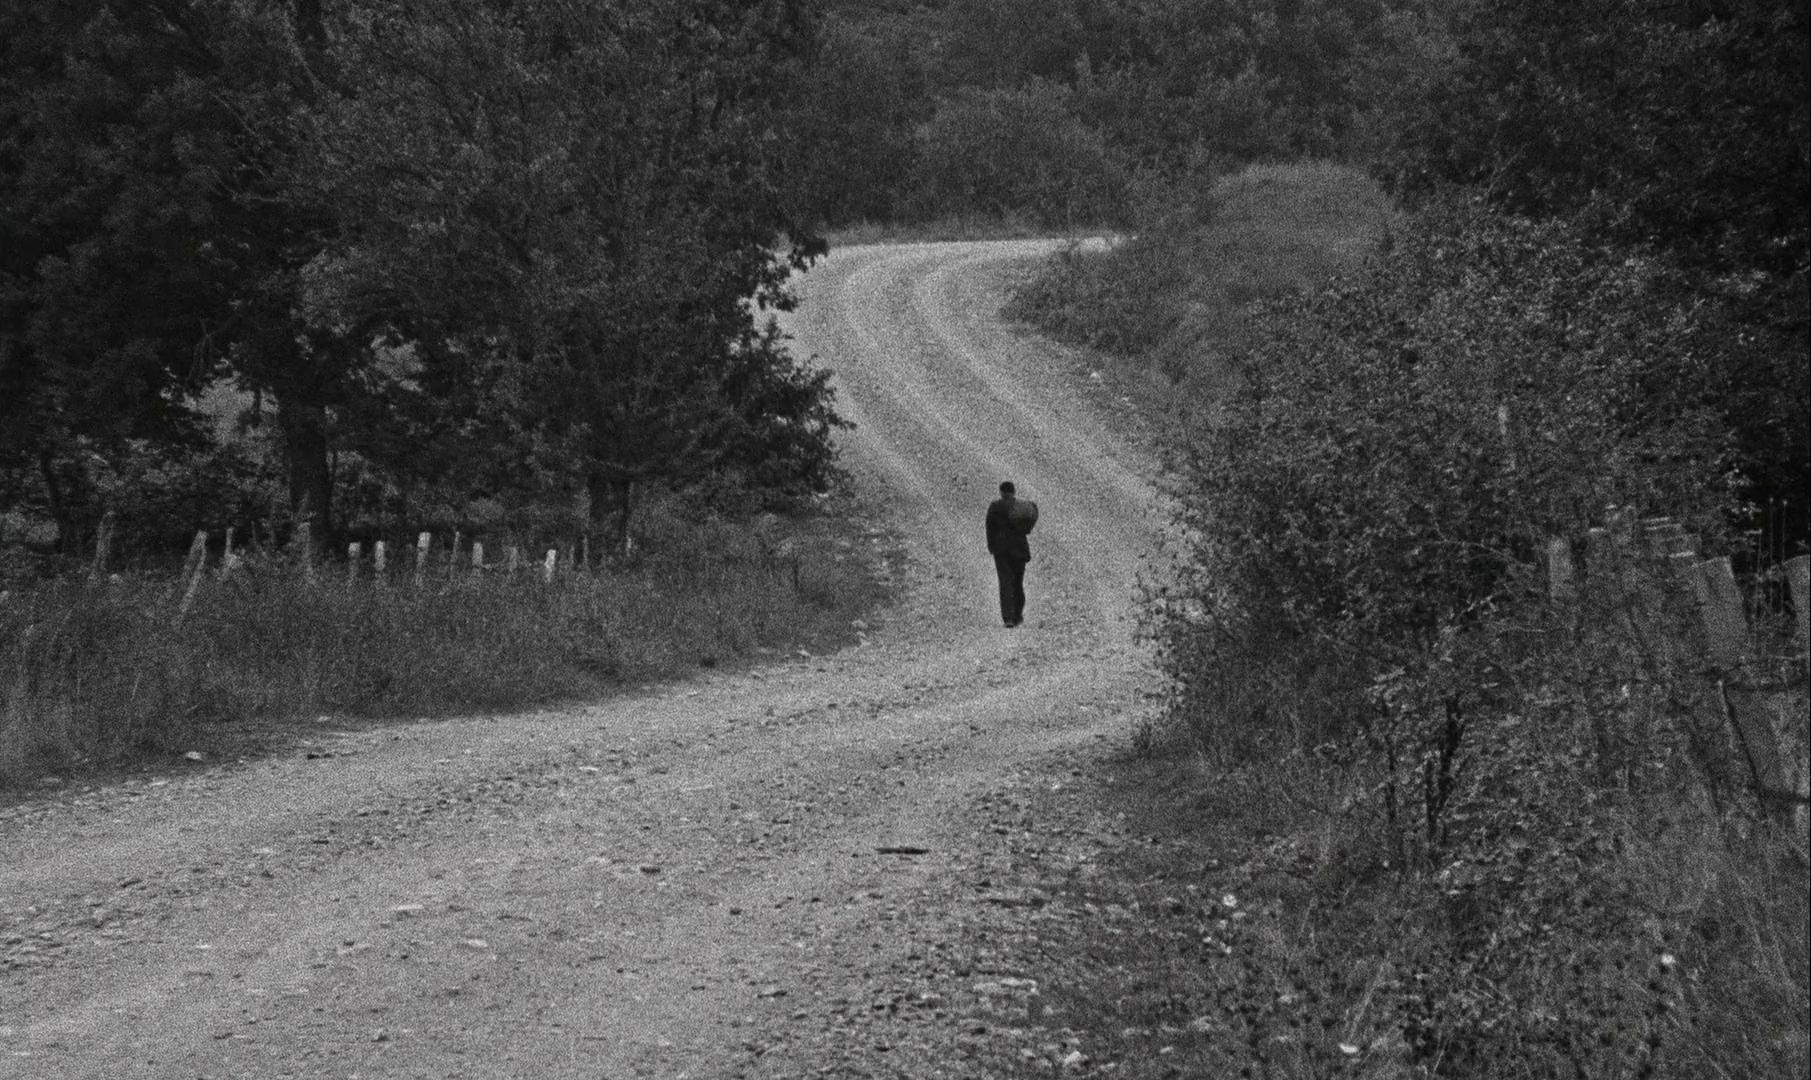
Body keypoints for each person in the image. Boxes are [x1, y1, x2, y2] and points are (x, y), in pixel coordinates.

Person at [985, 481, 1032, 627]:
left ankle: (1009, 618)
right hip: (1019, 550)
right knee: (1018, 582)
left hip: (1002, 551)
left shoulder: (995, 507)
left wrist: (992, 547)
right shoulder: (1021, 507)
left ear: (1001, 492)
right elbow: (1027, 528)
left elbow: (989, 527)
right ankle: (1018, 615)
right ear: (1014, 492)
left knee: (1005, 582)